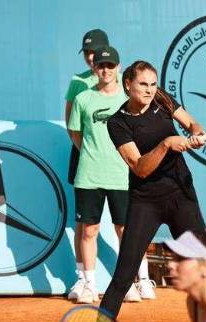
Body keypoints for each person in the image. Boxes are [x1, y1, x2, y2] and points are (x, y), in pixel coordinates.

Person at [98, 60, 206, 318]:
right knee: (123, 278)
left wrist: (197, 134)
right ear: (128, 84)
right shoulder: (118, 124)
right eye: (143, 84)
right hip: (145, 202)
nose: (149, 90)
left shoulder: (161, 99)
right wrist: (167, 144)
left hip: (182, 196)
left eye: (153, 84)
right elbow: (140, 168)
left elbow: (192, 123)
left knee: (204, 269)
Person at [63, 31, 155, 302]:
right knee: (89, 230)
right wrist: (94, 154)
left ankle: (129, 283)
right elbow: (75, 133)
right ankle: (89, 285)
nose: (105, 70)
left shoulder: (129, 101)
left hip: (122, 176)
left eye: (110, 65)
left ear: (118, 68)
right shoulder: (83, 98)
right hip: (89, 175)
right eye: (101, 65)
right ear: (95, 68)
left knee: (126, 231)